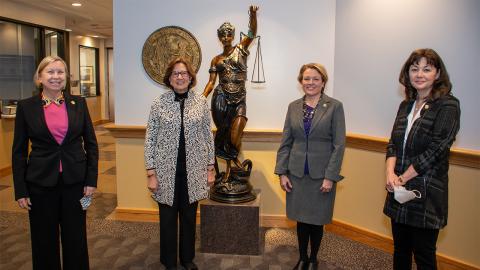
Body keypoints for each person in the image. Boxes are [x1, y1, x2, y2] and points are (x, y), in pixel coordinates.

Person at [12, 56, 98, 270]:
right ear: (39, 77)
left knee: (76, 238)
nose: (56, 77)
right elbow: (19, 151)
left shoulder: (78, 103)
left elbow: (91, 144)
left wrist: (91, 179)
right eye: (50, 72)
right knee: (43, 240)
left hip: (75, 182)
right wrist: (21, 190)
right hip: (40, 183)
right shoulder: (26, 107)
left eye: (60, 72)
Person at [384, 48, 460, 270]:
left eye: (427, 69)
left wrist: (403, 177)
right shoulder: (405, 105)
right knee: (400, 250)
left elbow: (438, 150)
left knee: (424, 255)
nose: (419, 74)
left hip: (426, 190)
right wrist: (390, 174)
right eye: (414, 68)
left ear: (437, 74)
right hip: (398, 188)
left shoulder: (448, 105)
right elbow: (392, 144)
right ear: (407, 73)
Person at [144, 58, 215, 270]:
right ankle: (169, 261)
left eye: (184, 73)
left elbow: (207, 136)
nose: (180, 77)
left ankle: (187, 258)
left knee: (189, 217)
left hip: (193, 171)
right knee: (167, 220)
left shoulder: (201, 102)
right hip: (166, 172)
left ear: (191, 77)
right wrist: (151, 172)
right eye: (175, 73)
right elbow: (150, 138)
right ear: (169, 78)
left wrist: (210, 169)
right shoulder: (159, 103)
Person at [275, 63, 346, 270]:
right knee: (301, 220)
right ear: (301, 82)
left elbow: (339, 145)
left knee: (316, 220)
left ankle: (314, 258)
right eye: (307, 79)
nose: (311, 83)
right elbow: (286, 142)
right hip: (296, 173)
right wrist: (282, 172)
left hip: (321, 175)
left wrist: (330, 176)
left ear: (323, 82)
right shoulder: (293, 106)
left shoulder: (334, 106)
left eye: (316, 79)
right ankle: (302, 257)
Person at [202, 5, 258, 181]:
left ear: (233, 36)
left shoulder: (240, 49)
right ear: (219, 38)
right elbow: (211, 82)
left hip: (239, 98)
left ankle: (234, 164)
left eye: (229, 34)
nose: (226, 37)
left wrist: (253, 15)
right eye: (223, 35)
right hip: (220, 98)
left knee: (235, 134)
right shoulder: (216, 59)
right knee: (223, 133)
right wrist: (201, 97)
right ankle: (227, 170)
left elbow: (251, 33)